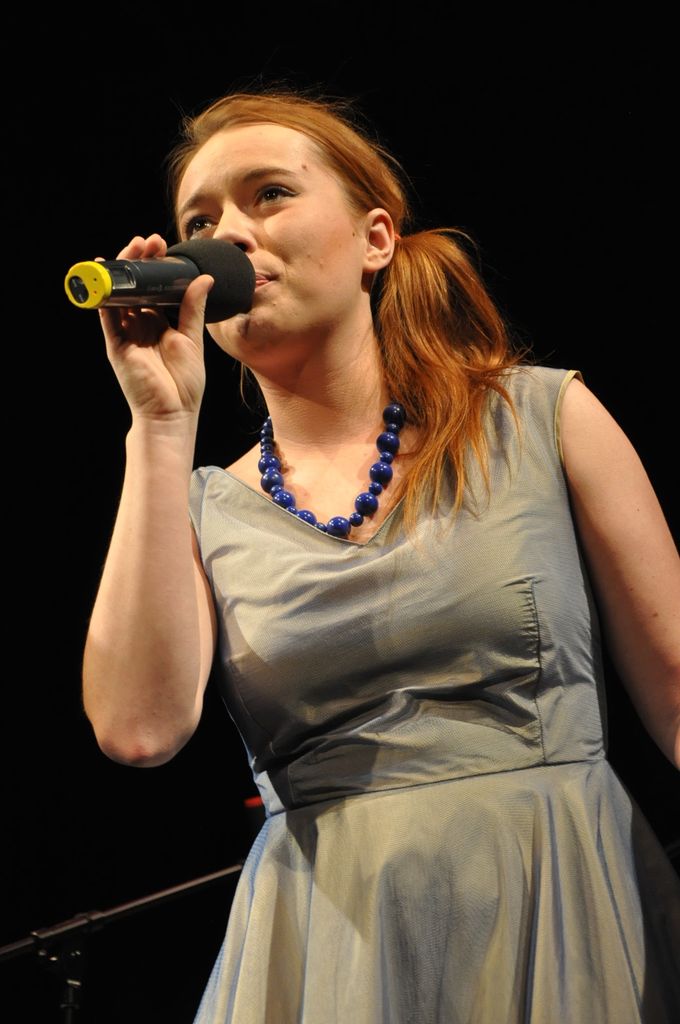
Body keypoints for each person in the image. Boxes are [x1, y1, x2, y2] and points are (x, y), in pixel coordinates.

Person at [81, 88, 680, 1024]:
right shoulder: (198, 510)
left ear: (376, 240)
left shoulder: (539, 417)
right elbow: (137, 730)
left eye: (270, 194)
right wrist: (160, 425)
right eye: (199, 221)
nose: (227, 234)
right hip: (329, 956)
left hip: (556, 906)